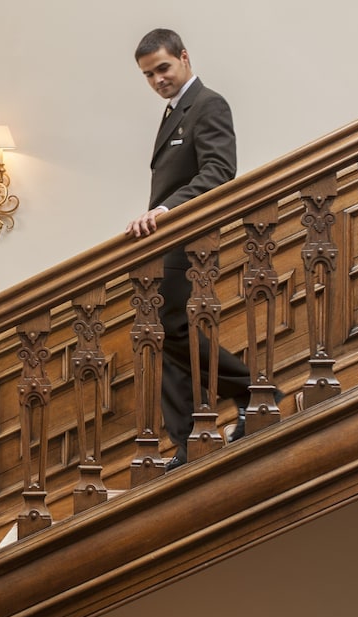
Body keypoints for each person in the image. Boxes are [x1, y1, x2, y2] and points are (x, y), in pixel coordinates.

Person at [125, 28, 255, 471]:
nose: (158, 79)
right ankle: (186, 441)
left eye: (163, 67)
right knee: (166, 336)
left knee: (172, 329)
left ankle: (255, 392)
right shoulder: (171, 113)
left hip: (188, 239)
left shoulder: (208, 103)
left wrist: (163, 211)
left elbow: (220, 171)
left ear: (183, 57)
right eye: (148, 75)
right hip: (166, 243)